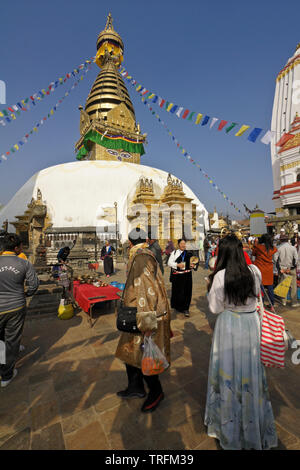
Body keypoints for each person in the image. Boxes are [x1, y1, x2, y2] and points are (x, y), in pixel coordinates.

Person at [204, 234, 277, 450]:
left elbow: (215, 309)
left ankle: (229, 425)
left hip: (228, 326)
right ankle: (253, 423)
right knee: (250, 374)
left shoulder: (219, 277)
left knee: (228, 372)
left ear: (222, 253)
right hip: (250, 324)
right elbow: (258, 299)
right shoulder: (253, 271)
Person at [115, 228, 170, 413]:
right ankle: (135, 387)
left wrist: (146, 324)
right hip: (137, 310)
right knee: (130, 352)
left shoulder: (140, 258)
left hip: (143, 314)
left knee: (145, 355)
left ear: (130, 242)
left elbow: (146, 291)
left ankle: (156, 391)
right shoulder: (144, 254)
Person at [0, 233, 39, 387]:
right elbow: (34, 284)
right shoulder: (23, 263)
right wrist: (25, 294)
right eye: (21, 245)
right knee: (12, 341)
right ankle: (6, 375)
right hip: (16, 306)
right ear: (16, 248)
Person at [168, 238, 197, 317]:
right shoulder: (174, 253)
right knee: (177, 292)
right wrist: (177, 265)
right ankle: (178, 306)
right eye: (181, 243)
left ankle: (186, 308)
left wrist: (193, 266)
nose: (183, 245)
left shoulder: (189, 254)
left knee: (187, 292)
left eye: (184, 243)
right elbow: (169, 263)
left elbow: (195, 262)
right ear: (178, 245)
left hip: (187, 276)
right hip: (177, 276)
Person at [251, 234, 277, 310]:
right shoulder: (273, 249)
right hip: (269, 269)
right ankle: (272, 305)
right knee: (270, 287)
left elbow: (253, 254)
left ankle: (261, 304)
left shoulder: (258, 247)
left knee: (260, 288)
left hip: (260, 269)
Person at [273, 233, 299, 307]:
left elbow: (275, 260)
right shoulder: (292, 248)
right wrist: (290, 268)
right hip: (291, 269)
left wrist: (281, 269)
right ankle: (294, 302)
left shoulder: (278, 248)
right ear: (287, 240)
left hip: (282, 269)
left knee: (283, 285)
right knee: (293, 286)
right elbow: (296, 259)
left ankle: (283, 301)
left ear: (280, 240)